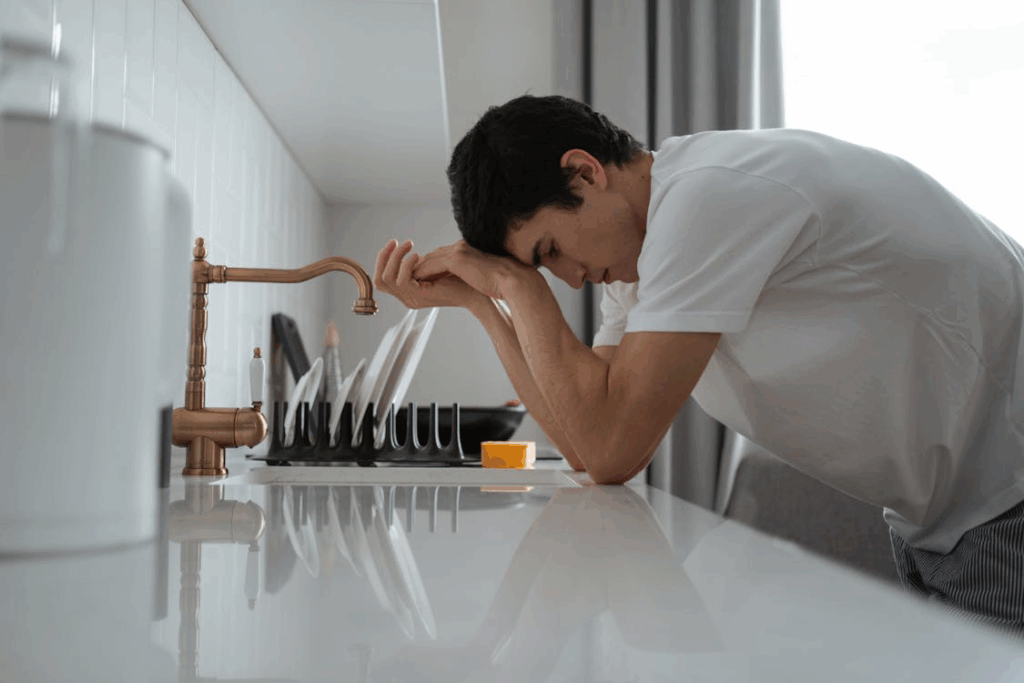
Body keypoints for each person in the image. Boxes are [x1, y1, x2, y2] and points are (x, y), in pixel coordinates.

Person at [372, 94, 1024, 631]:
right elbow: (580, 442)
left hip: (1006, 501)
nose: (571, 280)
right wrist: (485, 306)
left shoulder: (704, 199)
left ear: (585, 172)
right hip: (942, 520)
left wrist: (517, 286)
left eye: (551, 250)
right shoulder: (641, 266)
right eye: (546, 268)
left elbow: (612, 446)